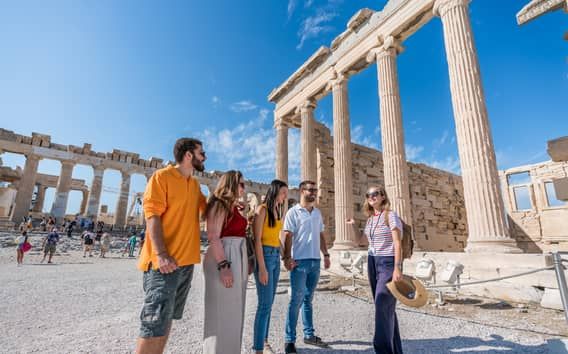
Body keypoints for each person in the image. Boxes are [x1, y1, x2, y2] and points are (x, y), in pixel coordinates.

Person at [135, 137, 207, 354]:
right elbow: (152, 217)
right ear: (188, 156)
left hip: (185, 264)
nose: (205, 157)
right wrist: (161, 254)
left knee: (166, 322)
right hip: (162, 264)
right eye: (202, 153)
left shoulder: (194, 185)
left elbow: (209, 212)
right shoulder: (162, 177)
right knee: (153, 324)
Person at [347, 185, 404, 354]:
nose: (371, 197)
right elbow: (361, 242)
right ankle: (396, 350)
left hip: (387, 263)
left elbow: (398, 243)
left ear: (382, 196)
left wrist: (397, 267)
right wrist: (353, 226)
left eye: (375, 194)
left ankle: (382, 350)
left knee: (381, 305)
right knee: (386, 309)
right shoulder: (371, 220)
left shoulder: (391, 216)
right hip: (372, 262)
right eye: (368, 195)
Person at [282, 180, 331, 354]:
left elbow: (320, 234)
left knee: (308, 300)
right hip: (300, 262)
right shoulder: (293, 212)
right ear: (302, 191)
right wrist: (287, 258)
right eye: (310, 190)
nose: (314, 193)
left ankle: (309, 335)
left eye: (315, 190)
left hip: (315, 261)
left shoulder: (317, 213)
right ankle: (289, 340)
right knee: (295, 301)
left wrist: (325, 254)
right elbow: (287, 235)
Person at [203, 170, 248, 354]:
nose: (244, 188)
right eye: (241, 184)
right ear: (230, 184)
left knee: (235, 310)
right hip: (226, 255)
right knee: (222, 311)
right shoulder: (218, 204)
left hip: (237, 253)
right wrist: (224, 266)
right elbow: (213, 235)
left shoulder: (231, 206)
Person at [252, 179, 288, 354]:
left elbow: (277, 240)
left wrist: (286, 257)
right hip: (264, 257)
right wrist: (262, 268)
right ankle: (258, 348)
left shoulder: (277, 211)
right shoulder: (262, 209)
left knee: (269, 303)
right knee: (264, 304)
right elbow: (257, 240)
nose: (285, 196)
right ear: (275, 191)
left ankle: (264, 342)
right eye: (283, 193)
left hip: (275, 256)